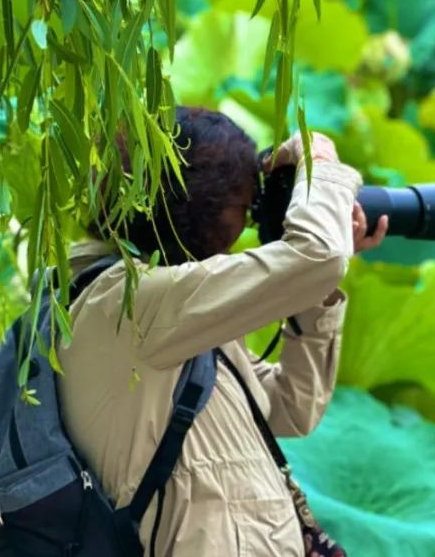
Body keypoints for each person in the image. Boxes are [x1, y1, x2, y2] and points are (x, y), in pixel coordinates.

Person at [55, 107, 387, 556]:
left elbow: (291, 407)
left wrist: (315, 290)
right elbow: (319, 257)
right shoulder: (129, 305)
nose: (249, 221)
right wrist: (320, 165)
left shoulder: (172, 308)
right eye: (246, 205)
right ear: (198, 205)